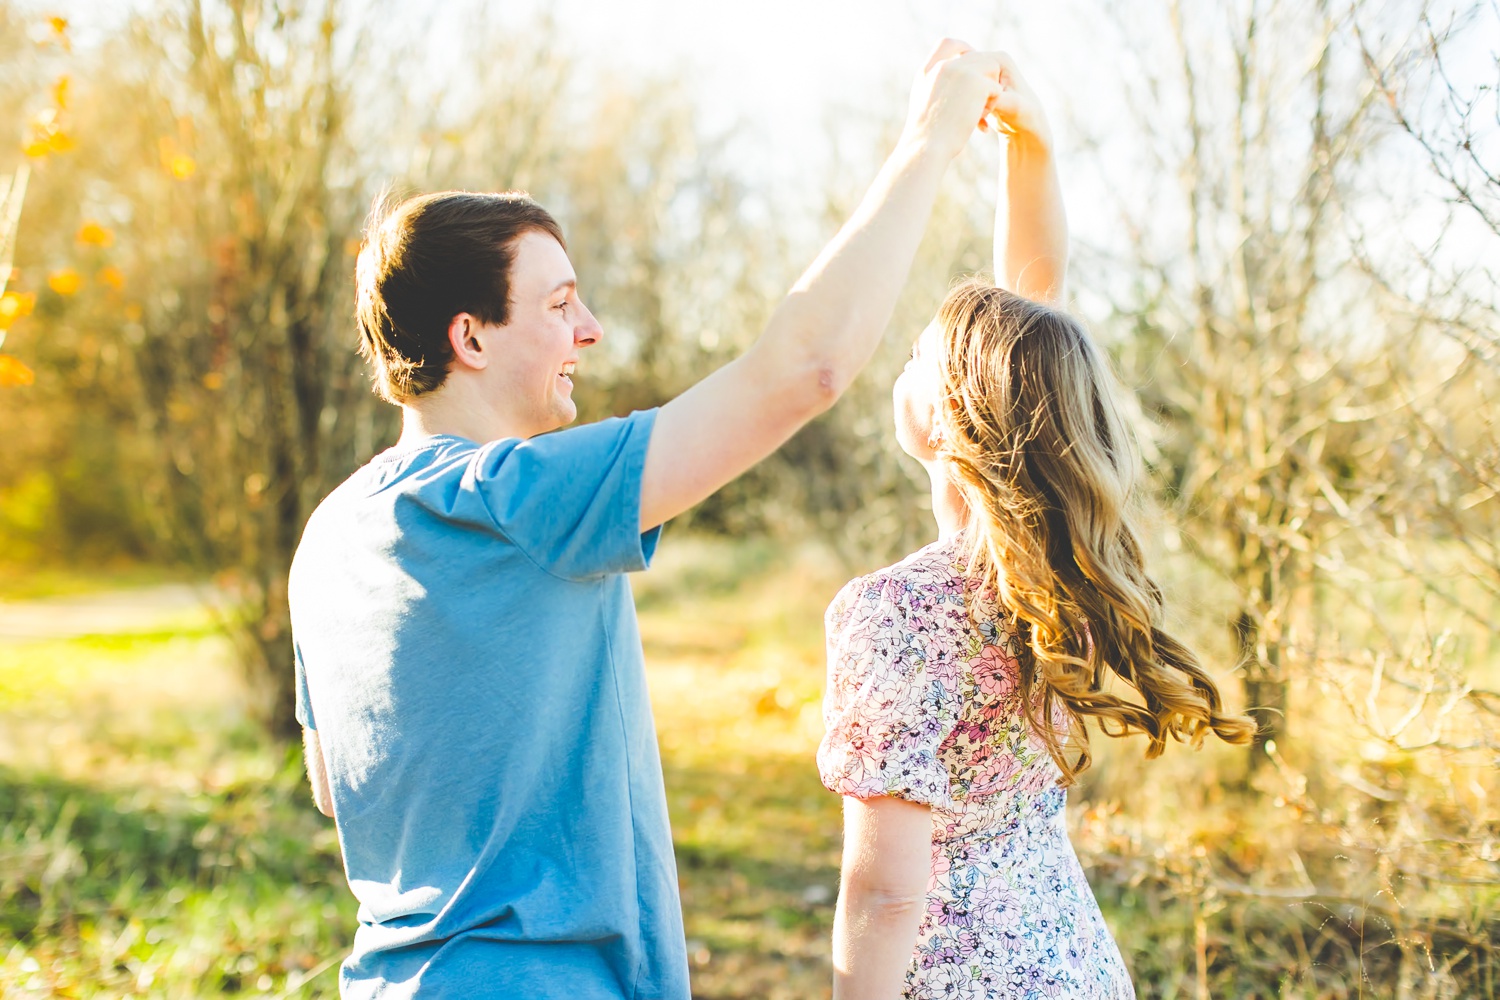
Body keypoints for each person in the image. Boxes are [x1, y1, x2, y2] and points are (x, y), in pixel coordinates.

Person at [289, 39, 1011, 1000]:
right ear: (469, 337)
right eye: (558, 303)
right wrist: (930, 138)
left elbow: (339, 788)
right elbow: (806, 372)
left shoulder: (329, 537)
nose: (587, 329)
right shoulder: (515, 495)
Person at [816, 53, 1257, 999]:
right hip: (1075, 970)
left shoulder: (891, 612)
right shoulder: (1069, 572)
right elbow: (1034, 333)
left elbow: (885, 896)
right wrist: (1034, 143)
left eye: (923, 353)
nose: (907, 356)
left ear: (950, 420)